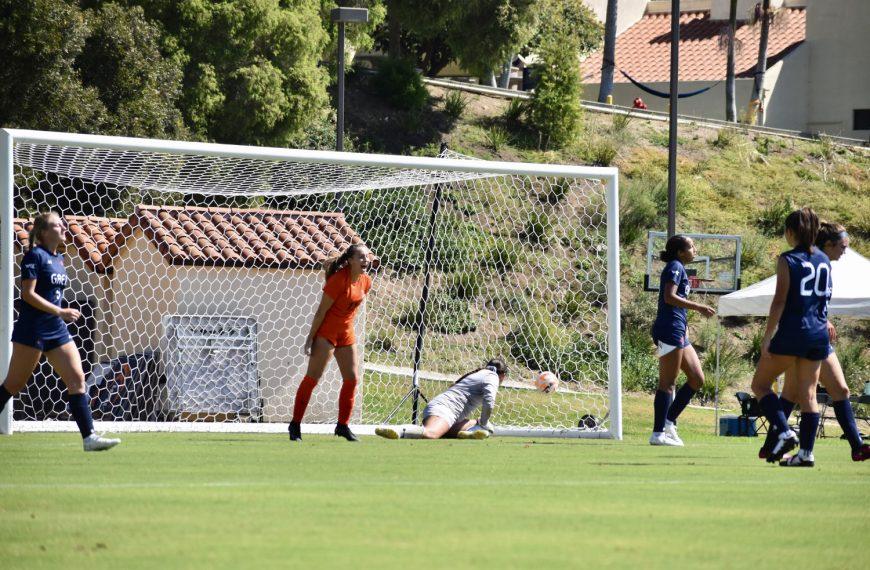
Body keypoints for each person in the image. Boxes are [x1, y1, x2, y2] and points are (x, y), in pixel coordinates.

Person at [0, 212, 120, 451]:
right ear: (44, 232)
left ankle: (89, 438)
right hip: (32, 329)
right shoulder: (35, 255)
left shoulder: (60, 258)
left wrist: (59, 315)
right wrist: (61, 311)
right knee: (13, 385)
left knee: (77, 380)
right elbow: (28, 294)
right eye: (58, 224)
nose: (64, 227)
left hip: (56, 329)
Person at [759, 222, 869, 462]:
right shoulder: (812, 261)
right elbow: (794, 300)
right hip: (806, 334)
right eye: (842, 246)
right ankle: (782, 445)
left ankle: (854, 445)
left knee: (838, 390)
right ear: (827, 244)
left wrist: (825, 318)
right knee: (796, 392)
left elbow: (811, 301)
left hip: (811, 332)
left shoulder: (822, 262)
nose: (845, 251)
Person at [751, 207, 830, 467]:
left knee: (760, 385)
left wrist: (767, 336)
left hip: (793, 331)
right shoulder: (824, 260)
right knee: (808, 394)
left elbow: (779, 301)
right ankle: (806, 454)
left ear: (791, 231)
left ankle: (785, 432)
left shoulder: (788, 259)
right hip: (818, 334)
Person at [288, 244, 372, 442]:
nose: (365, 261)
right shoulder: (337, 280)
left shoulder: (366, 281)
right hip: (326, 334)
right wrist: (310, 339)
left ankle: (342, 426)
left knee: (351, 380)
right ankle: (295, 425)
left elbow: (351, 309)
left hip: (346, 334)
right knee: (312, 379)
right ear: (350, 260)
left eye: (367, 257)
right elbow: (321, 312)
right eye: (361, 257)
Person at [649, 236, 716, 447]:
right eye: (691, 247)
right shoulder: (675, 266)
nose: (695, 250)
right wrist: (699, 307)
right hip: (669, 329)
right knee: (667, 384)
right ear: (680, 251)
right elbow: (669, 297)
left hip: (679, 330)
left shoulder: (679, 267)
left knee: (697, 379)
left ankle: (669, 422)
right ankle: (658, 434)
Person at [374, 358, 507, 440]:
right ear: (503, 375)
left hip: (449, 412)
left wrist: (482, 422)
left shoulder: (482, 373)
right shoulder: (492, 376)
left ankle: (468, 432)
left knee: (484, 427)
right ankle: (398, 430)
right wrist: (484, 421)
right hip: (445, 409)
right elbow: (489, 402)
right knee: (431, 434)